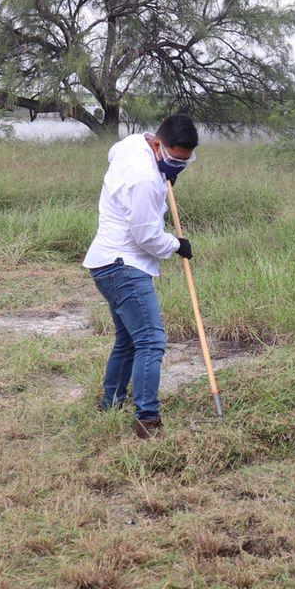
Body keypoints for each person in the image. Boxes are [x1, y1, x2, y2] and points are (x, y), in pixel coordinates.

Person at [81, 113, 198, 439]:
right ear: (158, 145)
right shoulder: (144, 179)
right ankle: (147, 420)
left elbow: (116, 151)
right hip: (123, 265)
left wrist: (168, 171)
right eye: (175, 159)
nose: (178, 165)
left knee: (129, 340)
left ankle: (111, 405)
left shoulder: (134, 144)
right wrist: (177, 245)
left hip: (107, 261)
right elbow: (146, 235)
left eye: (185, 161)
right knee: (151, 340)